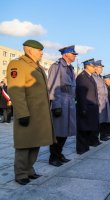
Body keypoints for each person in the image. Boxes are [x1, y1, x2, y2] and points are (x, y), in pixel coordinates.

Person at [7, 40, 55, 185]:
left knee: (36, 142)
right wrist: (22, 113)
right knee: (24, 143)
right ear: (29, 50)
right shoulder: (17, 64)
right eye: (39, 50)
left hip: (40, 113)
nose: (42, 52)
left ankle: (29, 170)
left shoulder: (37, 67)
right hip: (28, 112)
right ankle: (20, 173)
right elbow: (16, 90)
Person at [47, 45, 78, 167]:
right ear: (65, 54)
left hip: (70, 103)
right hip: (61, 103)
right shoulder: (57, 66)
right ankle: (53, 156)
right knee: (58, 131)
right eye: (73, 53)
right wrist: (56, 104)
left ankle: (59, 154)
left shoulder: (70, 68)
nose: (75, 56)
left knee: (66, 131)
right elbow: (52, 86)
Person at [76, 59, 100, 154]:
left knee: (88, 127)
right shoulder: (82, 77)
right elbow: (81, 94)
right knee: (82, 128)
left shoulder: (90, 77)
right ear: (87, 66)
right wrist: (83, 108)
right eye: (93, 66)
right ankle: (81, 148)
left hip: (91, 107)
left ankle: (85, 146)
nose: (94, 68)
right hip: (85, 107)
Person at [92, 60, 110, 141]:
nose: (102, 69)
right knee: (97, 121)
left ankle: (102, 136)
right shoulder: (93, 77)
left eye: (102, 67)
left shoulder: (99, 77)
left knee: (103, 120)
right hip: (99, 102)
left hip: (104, 102)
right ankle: (95, 138)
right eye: (100, 67)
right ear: (95, 68)